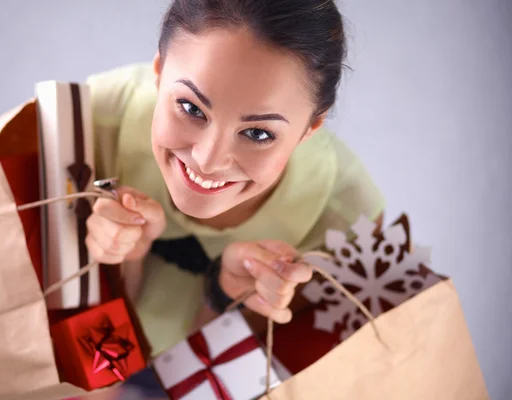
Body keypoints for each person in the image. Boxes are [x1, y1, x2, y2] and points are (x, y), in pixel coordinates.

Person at [85, 0, 384, 355]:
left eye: (258, 133)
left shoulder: (350, 228)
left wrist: (224, 298)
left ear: (310, 128)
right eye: (191, 108)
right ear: (159, 70)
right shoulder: (83, 126)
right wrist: (122, 264)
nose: (208, 160)